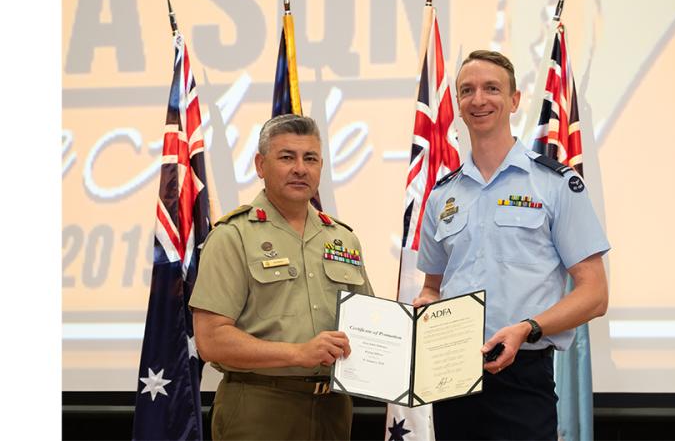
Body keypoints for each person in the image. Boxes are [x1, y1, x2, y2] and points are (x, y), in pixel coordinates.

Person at [413, 50, 610, 440]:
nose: (479, 99)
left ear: (515, 100)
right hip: (453, 376)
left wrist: (528, 328)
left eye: (492, 89)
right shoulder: (441, 195)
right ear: (458, 104)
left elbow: (595, 295)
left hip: (524, 375)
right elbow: (431, 288)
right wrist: (424, 308)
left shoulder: (555, 184)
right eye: (467, 90)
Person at [190, 114, 374, 441]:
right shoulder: (234, 236)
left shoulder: (343, 239)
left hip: (333, 410)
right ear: (261, 165)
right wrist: (298, 353)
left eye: (311, 158)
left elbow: (371, 327)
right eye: (287, 157)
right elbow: (211, 341)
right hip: (259, 407)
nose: (300, 168)